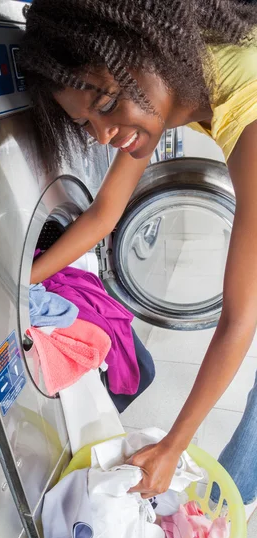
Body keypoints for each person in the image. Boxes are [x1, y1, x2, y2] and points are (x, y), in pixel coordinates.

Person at [19, 0, 257, 508]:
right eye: (85, 124)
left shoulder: (247, 108)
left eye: (104, 107)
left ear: (149, 55)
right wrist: (18, 288)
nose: (103, 135)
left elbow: (238, 320)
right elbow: (104, 215)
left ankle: (217, 508)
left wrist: (174, 445)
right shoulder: (178, 78)